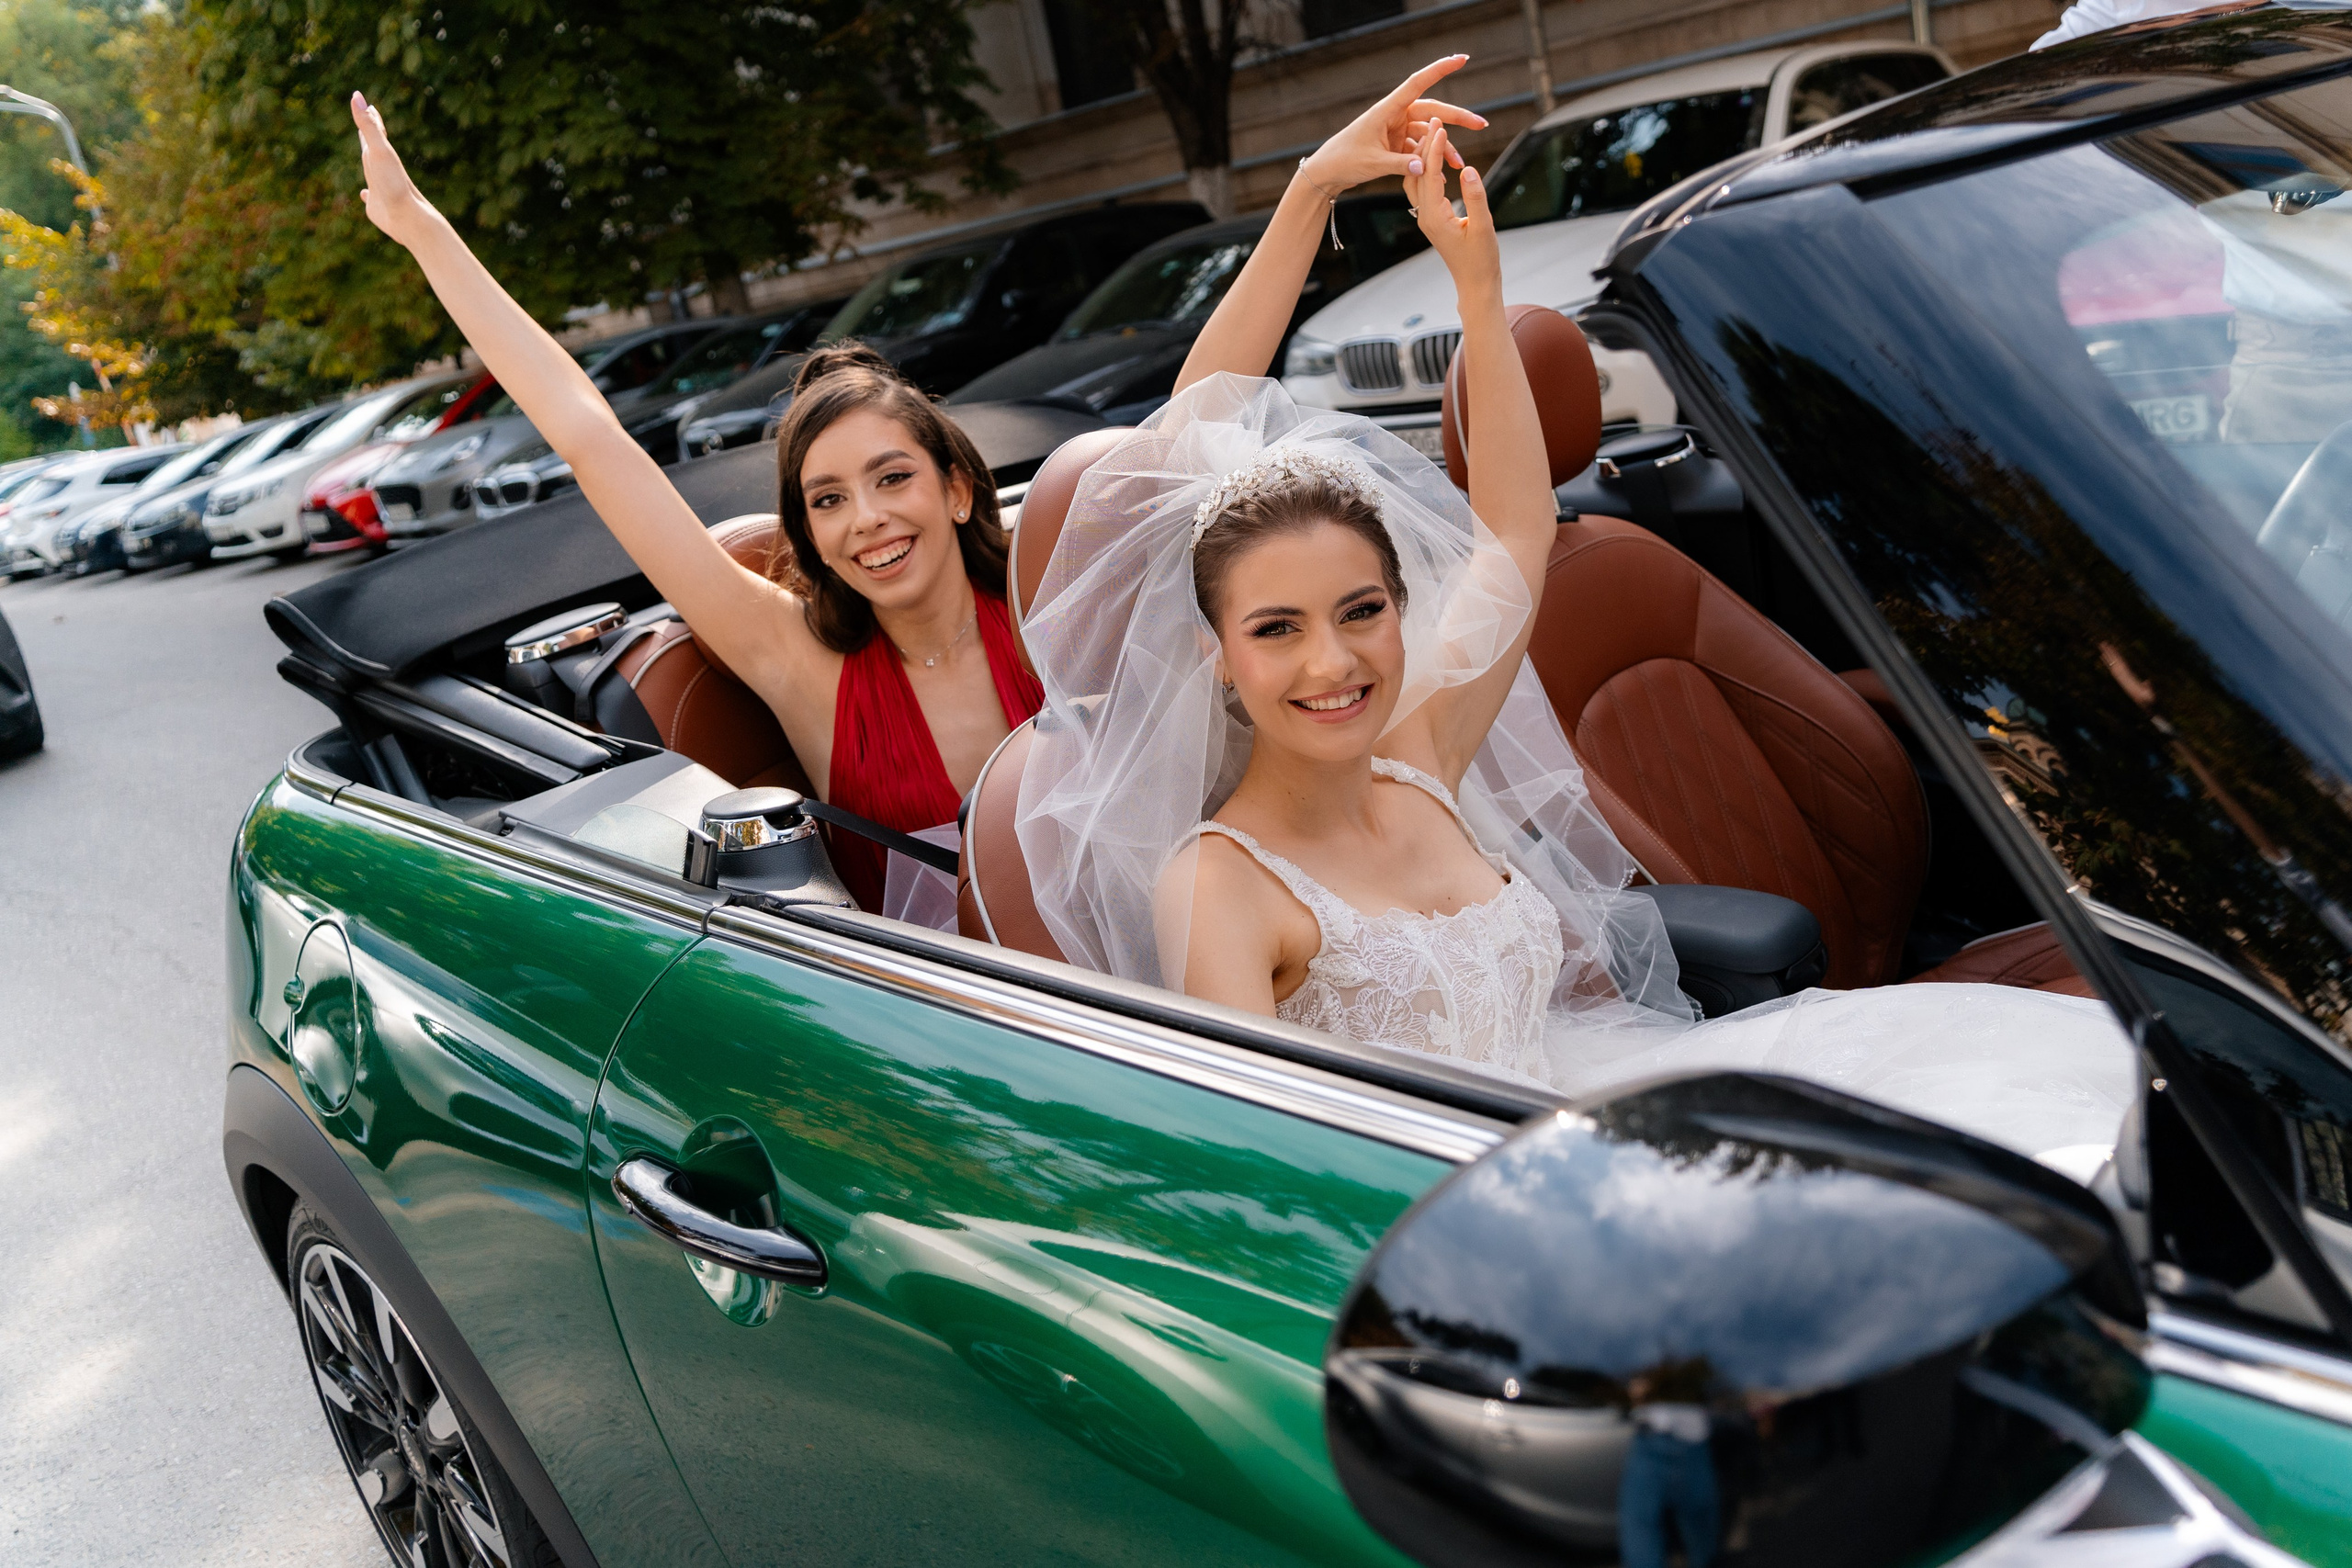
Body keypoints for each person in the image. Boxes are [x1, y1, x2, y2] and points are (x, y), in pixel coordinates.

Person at [1012, 59, 2140, 1162]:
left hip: (1613, 1107)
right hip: (1493, 1212)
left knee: (2071, 1099)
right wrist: (1307, 190)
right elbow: (1276, 1163)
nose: (1332, 662)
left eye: (1361, 611)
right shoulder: (1216, 885)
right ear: (1214, 655)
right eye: (1276, 629)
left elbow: (1511, 529)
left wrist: (1477, 292)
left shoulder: (1419, 752)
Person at [348, 97, 1039, 915]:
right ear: (812, 537)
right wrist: (421, 226)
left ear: (957, 488)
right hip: (953, 1021)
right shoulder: (801, 662)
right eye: (828, 499)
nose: (867, 518)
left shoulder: (1050, 604)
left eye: (893, 478)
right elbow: (591, 440)